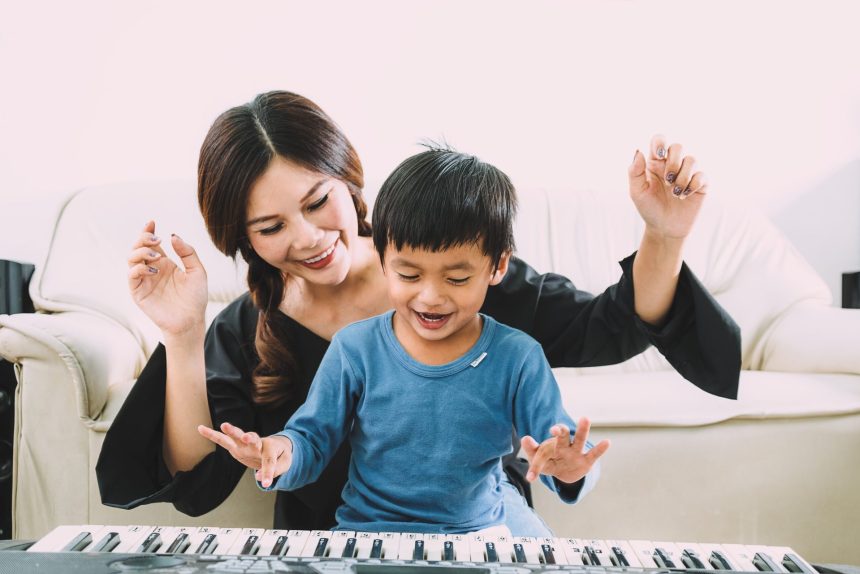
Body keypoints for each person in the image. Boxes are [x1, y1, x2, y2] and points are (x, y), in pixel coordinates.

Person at [96, 90, 740, 535]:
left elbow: (610, 326)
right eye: (271, 226)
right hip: (341, 542)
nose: (308, 238)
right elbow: (196, 479)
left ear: (348, 179)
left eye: (318, 202)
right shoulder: (250, 327)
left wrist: (664, 235)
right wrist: (183, 335)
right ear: (242, 238)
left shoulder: (455, 269)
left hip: (476, 532)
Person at [200, 147, 612, 535]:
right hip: (368, 531)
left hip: (481, 530)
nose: (430, 297)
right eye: (409, 275)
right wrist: (279, 452)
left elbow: (556, 443)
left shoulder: (519, 357)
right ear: (382, 259)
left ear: (497, 266)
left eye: (457, 278)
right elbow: (311, 438)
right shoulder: (354, 349)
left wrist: (572, 468)